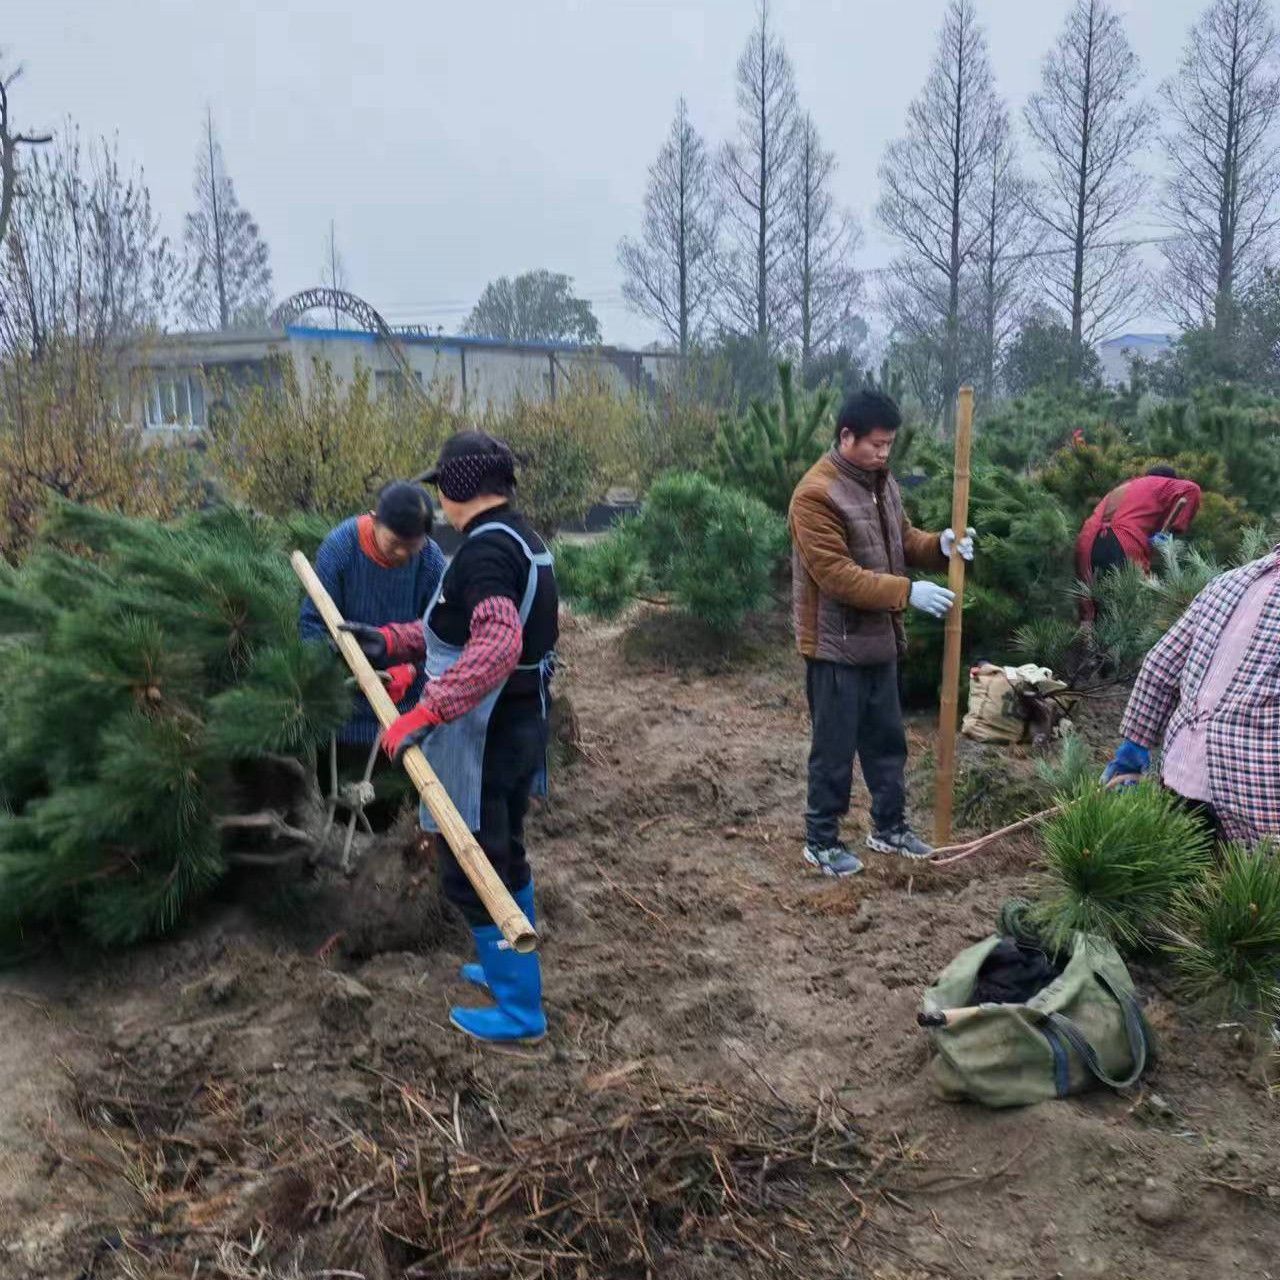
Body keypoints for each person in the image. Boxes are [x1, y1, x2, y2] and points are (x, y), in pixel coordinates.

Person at [342, 431, 558, 1045]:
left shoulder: (486, 553)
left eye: (445, 489)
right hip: (517, 725)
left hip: (485, 735)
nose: (441, 504)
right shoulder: (522, 538)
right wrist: (393, 641)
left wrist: (426, 710)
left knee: (475, 863)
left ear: (462, 488)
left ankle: (521, 1011)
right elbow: (456, 629)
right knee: (503, 847)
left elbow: (495, 645)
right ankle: (505, 969)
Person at [788, 389, 975, 876]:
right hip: (835, 646)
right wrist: (907, 593)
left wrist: (940, 545)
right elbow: (837, 576)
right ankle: (821, 840)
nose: (883, 453)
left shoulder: (881, 483)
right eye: (875, 444)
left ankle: (888, 827)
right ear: (846, 436)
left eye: (890, 445)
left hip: (879, 643)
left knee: (888, 742)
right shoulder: (815, 496)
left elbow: (902, 538)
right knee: (834, 749)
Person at [1103, 540, 1280, 846]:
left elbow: (1159, 666)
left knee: (1179, 874)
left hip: (1181, 773)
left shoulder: (1228, 582)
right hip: (1259, 801)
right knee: (1249, 889)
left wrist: (1134, 747)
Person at [299, 481, 445, 824]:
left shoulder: (430, 561)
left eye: (413, 546)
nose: (403, 555)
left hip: (402, 713)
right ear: (375, 520)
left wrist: (412, 671)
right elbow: (311, 628)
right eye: (396, 544)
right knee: (340, 809)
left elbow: (443, 635)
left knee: (389, 814)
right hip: (343, 714)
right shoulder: (341, 548)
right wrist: (343, 674)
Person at [1076, 467, 1202, 591]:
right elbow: (1192, 489)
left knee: (1098, 601)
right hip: (1122, 540)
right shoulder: (1160, 483)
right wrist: (1173, 532)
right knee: (1140, 597)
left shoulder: (1126, 487)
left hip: (1088, 544)